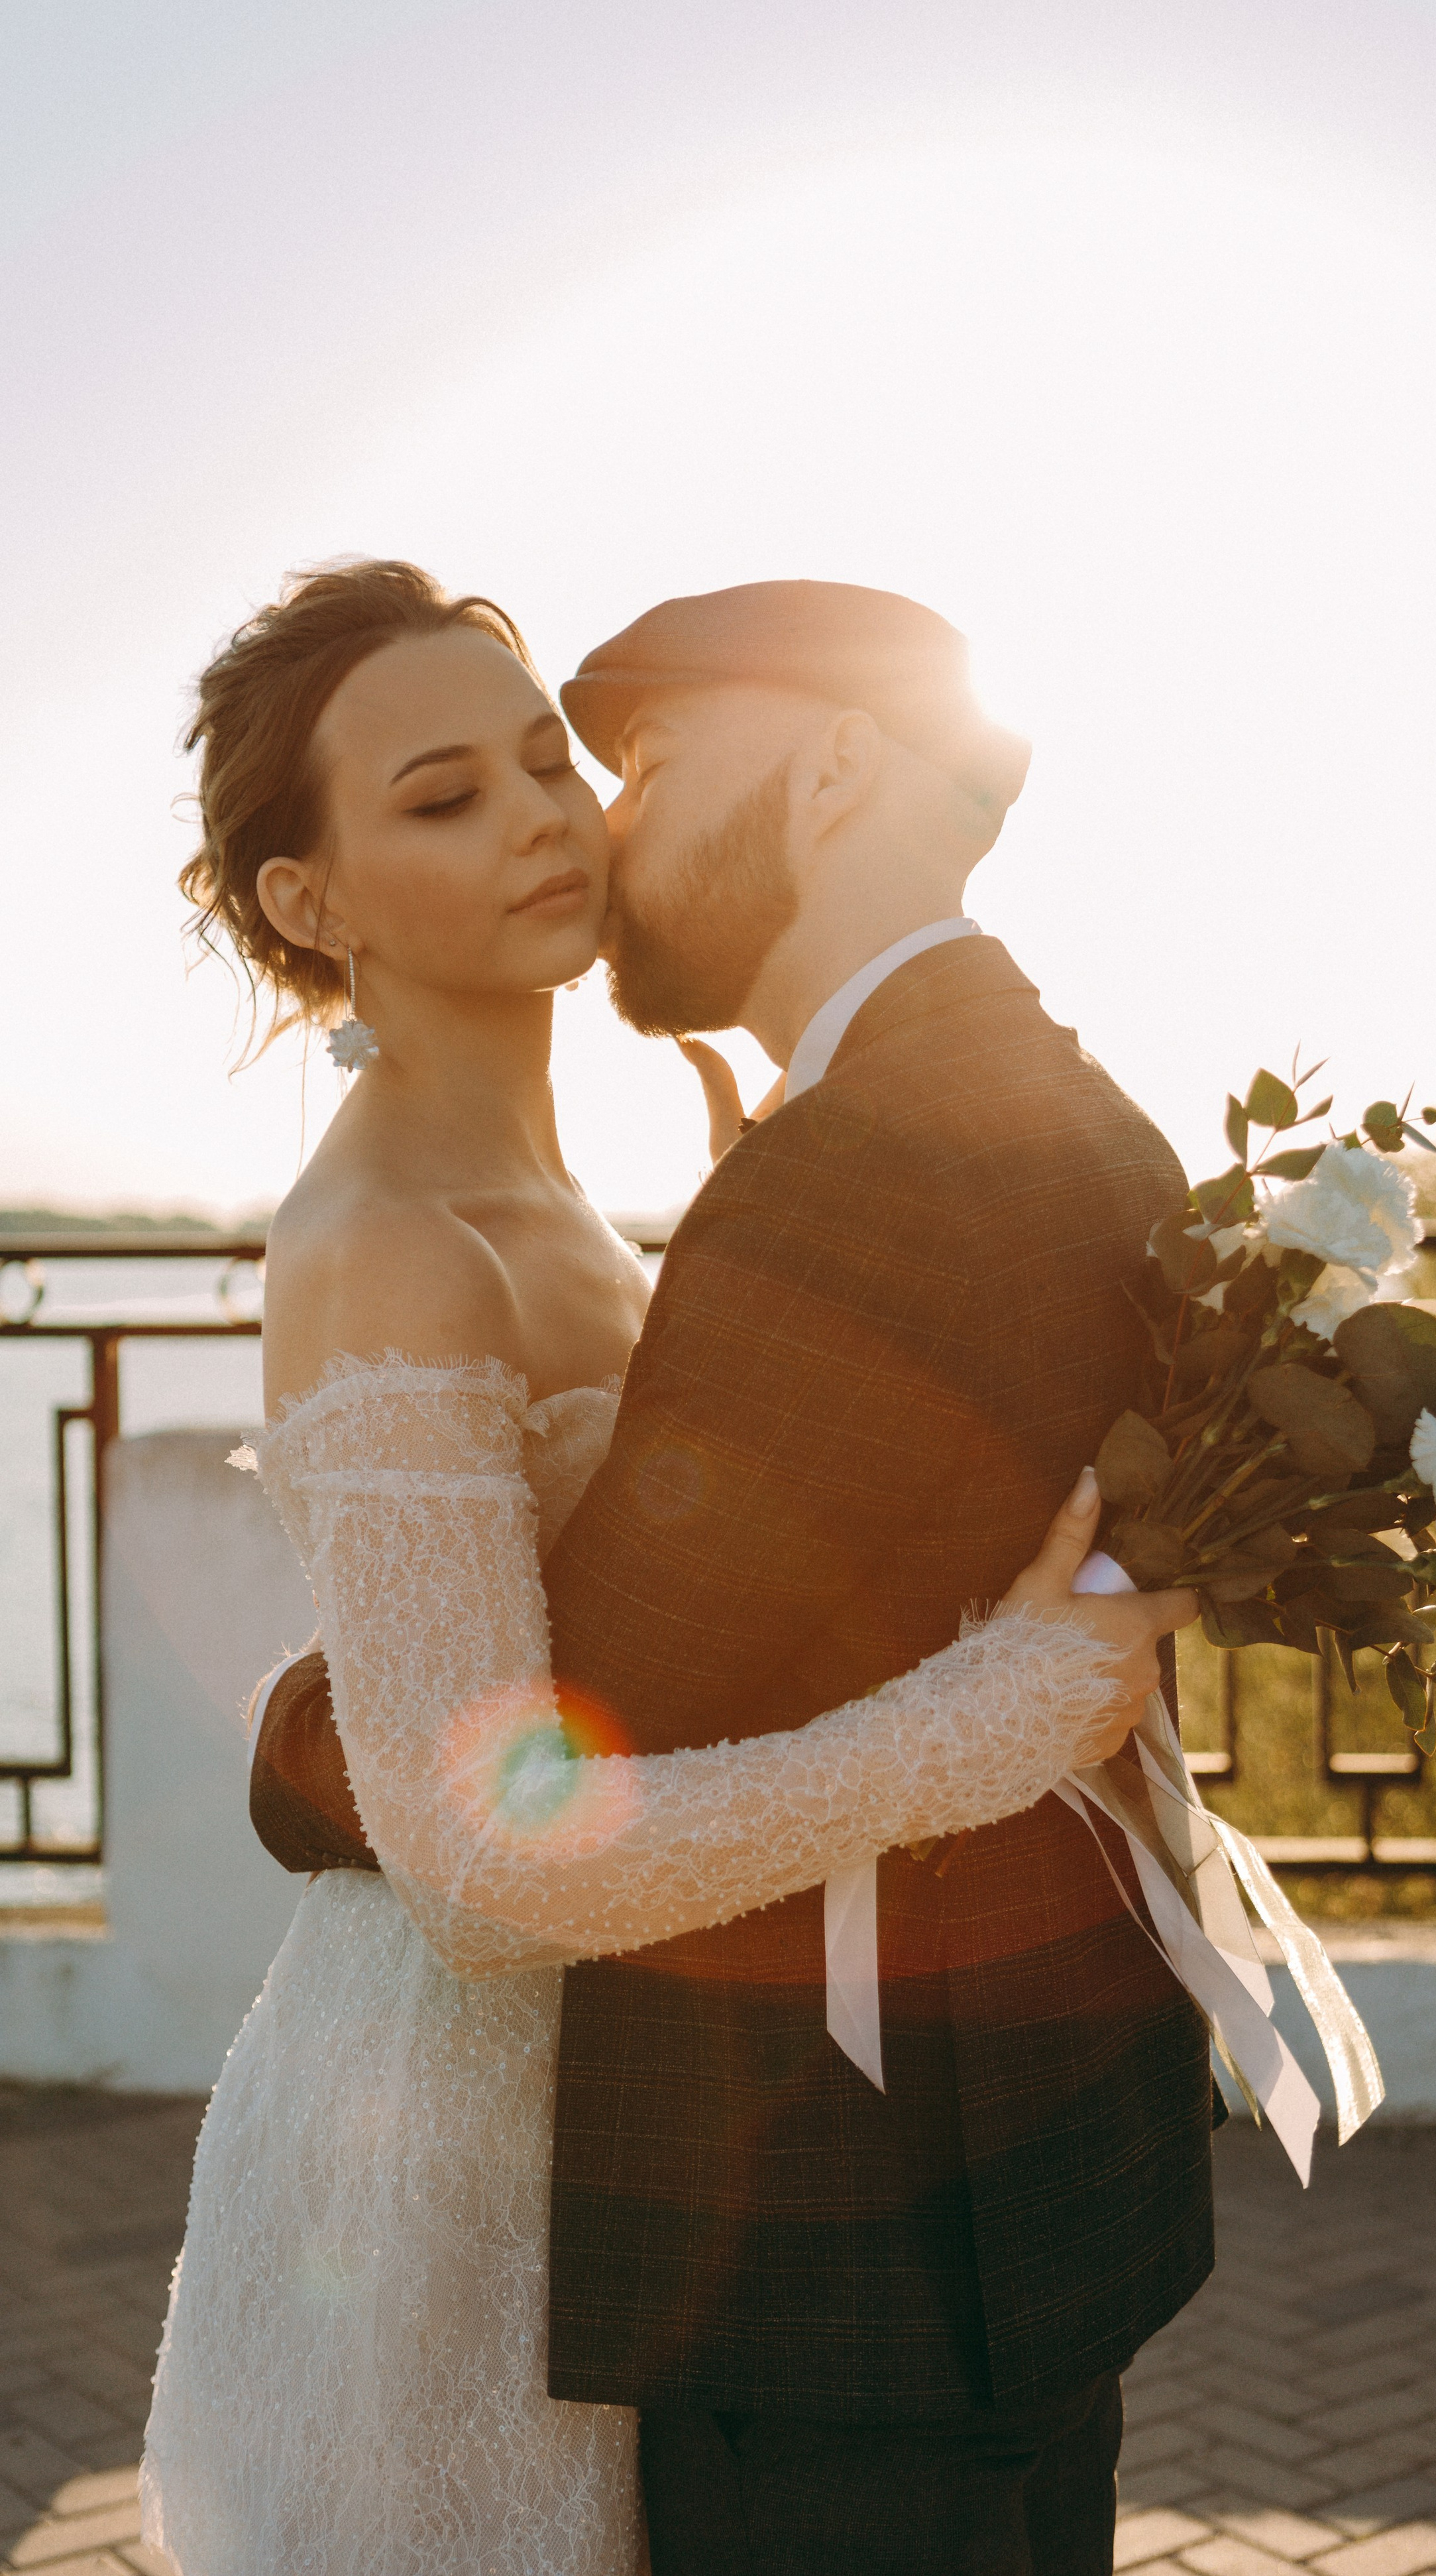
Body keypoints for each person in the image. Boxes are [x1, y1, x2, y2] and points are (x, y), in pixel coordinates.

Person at [140, 561, 1200, 2576]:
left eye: (552, 760)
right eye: (443, 798)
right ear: (313, 903)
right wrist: (969, 1732)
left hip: (668, 2097)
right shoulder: (383, 1242)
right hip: (454, 2141)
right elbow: (471, 1870)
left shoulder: (612, 1193)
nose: (548, 815)